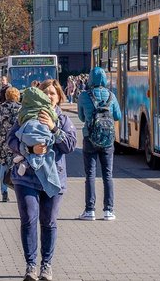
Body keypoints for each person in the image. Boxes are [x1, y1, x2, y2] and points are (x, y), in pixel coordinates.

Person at [8, 79, 77, 281]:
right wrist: (28, 149)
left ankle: (46, 265)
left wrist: (54, 128)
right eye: (45, 92)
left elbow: (71, 145)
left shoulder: (62, 119)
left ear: (59, 97)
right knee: (29, 219)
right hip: (26, 177)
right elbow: (10, 140)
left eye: (52, 93)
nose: (48, 96)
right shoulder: (25, 115)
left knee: (48, 221)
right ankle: (31, 266)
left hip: (53, 179)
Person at [77, 66, 121, 221]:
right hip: (108, 140)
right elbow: (117, 116)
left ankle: (90, 210)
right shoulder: (111, 96)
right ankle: (108, 211)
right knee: (108, 175)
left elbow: (82, 118)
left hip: (89, 138)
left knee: (90, 175)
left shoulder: (84, 96)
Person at [0, 86, 22, 202]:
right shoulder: (21, 109)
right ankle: (19, 191)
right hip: (16, 141)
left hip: (3, 141)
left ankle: (4, 192)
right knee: (19, 166)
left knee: (4, 166)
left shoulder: (1, 108)